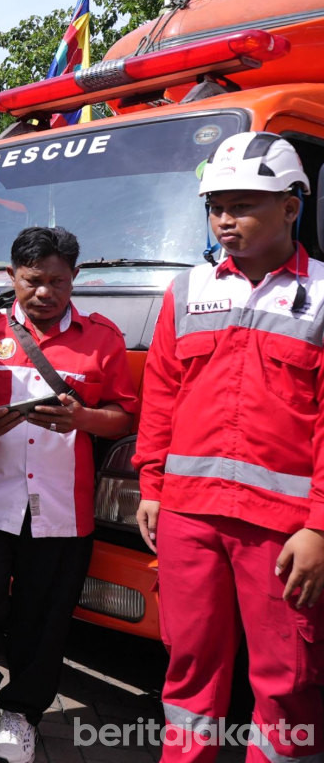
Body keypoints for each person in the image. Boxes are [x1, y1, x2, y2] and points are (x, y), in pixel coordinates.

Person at [134, 131, 324, 762]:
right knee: (188, 671)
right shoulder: (187, 292)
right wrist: (153, 487)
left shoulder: (321, 296)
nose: (224, 218)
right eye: (215, 204)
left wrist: (319, 529)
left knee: (287, 681)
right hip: (189, 519)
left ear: (291, 207)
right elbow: (161, 397)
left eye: (243, 204)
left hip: (282, 531)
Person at [0, 226, 138, 763]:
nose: (45, 292)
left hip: (63, 512)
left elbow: (124, 415)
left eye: (58, 281)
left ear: (75, 278)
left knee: (43, 618)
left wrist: (80, 419)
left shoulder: (104, 338)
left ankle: (20, 715)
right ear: (11, 276)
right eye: (33, 280)